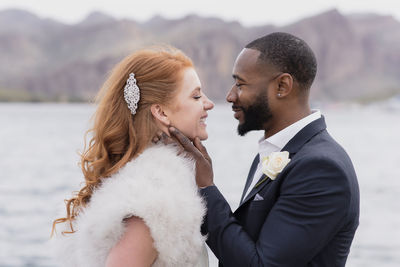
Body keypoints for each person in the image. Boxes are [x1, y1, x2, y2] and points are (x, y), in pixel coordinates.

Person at [169, 32, 360, 266]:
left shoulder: (321, 169)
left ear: (282, 85)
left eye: (240, 84)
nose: (230, 96)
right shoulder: (281, 150)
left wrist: (206, 188)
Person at [51, 46, 214, 267]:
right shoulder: (153, 199)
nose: (208, 103)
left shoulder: (137, 183)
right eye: (196, 96)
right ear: (161, 112)